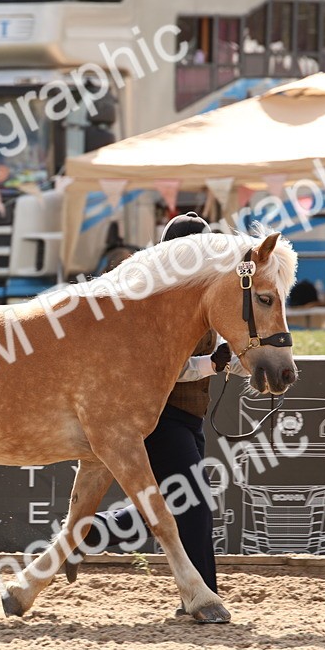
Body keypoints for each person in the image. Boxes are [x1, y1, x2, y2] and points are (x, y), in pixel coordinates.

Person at [77, 213, 249, 619]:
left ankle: (90, 531)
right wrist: (212, 363)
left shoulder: (208, 293)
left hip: (189, 416)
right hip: (157, 415)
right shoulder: (148, 297)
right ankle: (201, 595)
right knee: (195, 502)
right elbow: (157, 369)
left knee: (170, 502)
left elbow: (231, 351)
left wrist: (246, 359)